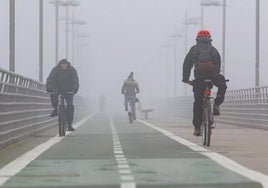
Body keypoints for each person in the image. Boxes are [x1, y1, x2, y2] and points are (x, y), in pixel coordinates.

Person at [182, 29, 227, 136]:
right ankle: (216, 104)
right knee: (222, 85)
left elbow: (187, 65)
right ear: (209, 39)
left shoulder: (193, 49)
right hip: (214, 76)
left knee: (198, 102)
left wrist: (185, 79)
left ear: (197, 39)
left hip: (199, 79)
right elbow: (218, 64)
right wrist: (215, 75)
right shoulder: (213, 50)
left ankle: (197, 128)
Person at [46, 59, 79, 131]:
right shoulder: (55, 70)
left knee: (70, 105)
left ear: (67, 65)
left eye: (65, 64)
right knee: (53, 95)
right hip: (57, 88)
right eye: (62, 64)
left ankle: (69, 124)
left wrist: (75, 89)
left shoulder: (72, 70)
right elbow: (50, 79)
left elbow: (75, 80)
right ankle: (55, 109)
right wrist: (49, 88)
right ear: (60, 65)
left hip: (69, 89)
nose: (63, 66)